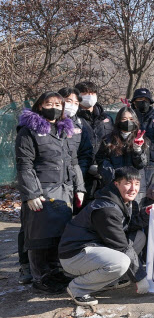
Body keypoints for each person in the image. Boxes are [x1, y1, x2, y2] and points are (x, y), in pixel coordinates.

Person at [58, 167, 149, 306]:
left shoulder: (123, 201)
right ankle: (78, 288)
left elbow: (126, 226)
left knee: (139, 237)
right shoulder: (106, 209)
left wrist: (145, 215)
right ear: (116, 184)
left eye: (136, 184)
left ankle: (109, 281)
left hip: (96, 248)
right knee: (121, 262)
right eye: (128, 183)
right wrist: (140, 277)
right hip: (75, 255)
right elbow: (121, 246)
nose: (133, 188)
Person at [16, 91, 76, 293]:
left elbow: (70, 161)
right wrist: (31, 193)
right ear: (40, 106)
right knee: (39, 236)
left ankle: (56, 272)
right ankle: (41, 276)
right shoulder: (28, 131)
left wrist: (77, 188)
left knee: (58, 234)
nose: (55, 108)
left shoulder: (63, 130)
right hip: (41, 190)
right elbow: (25, 164)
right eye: (49, 104)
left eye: (59, 105)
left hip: (63, 191)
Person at [95, 106, 149, 204]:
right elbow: (101, 159)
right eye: (124, 119)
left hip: (134, 188)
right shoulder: (108, 139)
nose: (128, 122)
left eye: (131, 119)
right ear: (118, 121)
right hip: (113, 185)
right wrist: (113, 176)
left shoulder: (142, 139)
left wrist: (137, 149)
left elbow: (142, 164)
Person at [75, 81, 114, 203]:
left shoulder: (107, 118)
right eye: (85, 93)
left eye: (92, 93)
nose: (89, 96)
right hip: (80, 172)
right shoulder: (73, 118)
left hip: (104, 172)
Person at [58, 87, 93, 212]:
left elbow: (83, 155)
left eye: (76, 103)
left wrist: (78, 178)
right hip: (47, 183)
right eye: (69, 101)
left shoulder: (80, 125)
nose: (72, 106)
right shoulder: (47, 123)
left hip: (70, 182)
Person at [130, 88, 154, 163]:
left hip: (153, 160)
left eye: (146, 99)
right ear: (134, 102)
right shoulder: (128, 117)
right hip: (132, 158)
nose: (144, 101)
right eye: (140, 99)